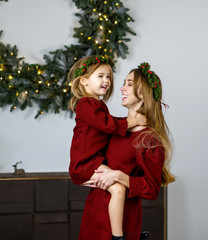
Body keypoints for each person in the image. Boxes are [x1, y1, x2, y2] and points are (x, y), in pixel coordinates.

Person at [76, 62, 175, 240]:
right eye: (124, 83)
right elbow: (87, 151)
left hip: (121, 224)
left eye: (129, 84)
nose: (121, 88)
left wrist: (118, 176)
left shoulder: (149, 140)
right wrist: (85, 175)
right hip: (93, 215)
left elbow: (152, 190)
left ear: (143, 93)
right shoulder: (114, 127)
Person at [68, 55, 146, 240]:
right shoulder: (86, 104)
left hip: (93, 161)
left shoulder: (98, 105)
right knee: (118, 189)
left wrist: (131, 122)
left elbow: (109, 123)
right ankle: (118, 236)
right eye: (100, 76)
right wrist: (134, 121)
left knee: (120, 188)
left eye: (109, 77)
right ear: (84, 81)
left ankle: (125, 231)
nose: (106, 81)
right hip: (85, 163)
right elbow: (108, 126)